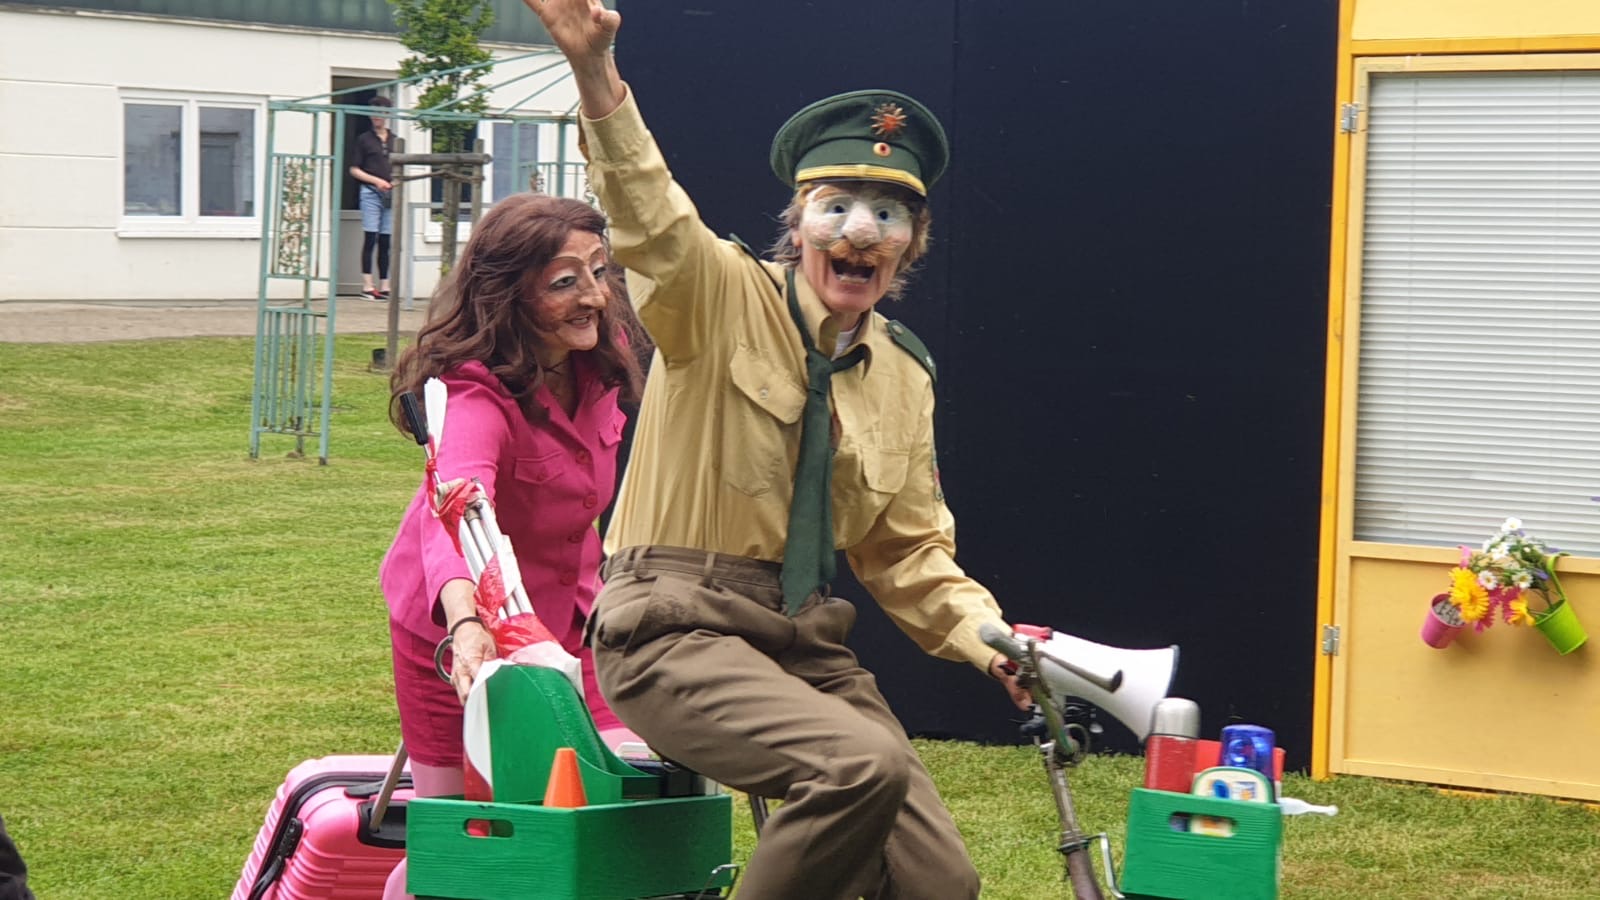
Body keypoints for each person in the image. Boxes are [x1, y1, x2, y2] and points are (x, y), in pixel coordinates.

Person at [525, 2, 1031, 898]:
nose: (860, 232)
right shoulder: (714, 294)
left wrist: (990, 639)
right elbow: (647, 210)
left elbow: (908, 550)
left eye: (887, 214)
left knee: (938, 880)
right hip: (672, 626)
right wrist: (596, 73)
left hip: (802, 641)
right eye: (836, 207)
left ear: (912, 245)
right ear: (799, 226)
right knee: (854, 768)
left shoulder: (903, 375)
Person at [377, 193, 647, 900]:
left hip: (574, 625)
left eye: (600, 270)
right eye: (565, 282)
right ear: (509, 296)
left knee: (621, 804)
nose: (595, 295)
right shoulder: (474, 395)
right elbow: (456, 508)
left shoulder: (604, 358)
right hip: (453, 632)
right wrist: (470, 627)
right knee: (465, 845)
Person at [349, 95, 395, 301]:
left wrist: (393, 183)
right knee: (371, 237)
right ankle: (367, 285)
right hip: (370, 192)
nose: (377, 117)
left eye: (382, 113)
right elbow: (354, 169)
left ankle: (385, 285)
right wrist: (376, 181)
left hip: (390, 193)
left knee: (386, 240)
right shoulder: (364, 139)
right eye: (374, 112)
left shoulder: (395, 140)